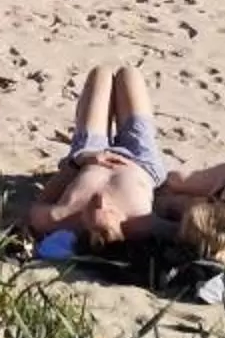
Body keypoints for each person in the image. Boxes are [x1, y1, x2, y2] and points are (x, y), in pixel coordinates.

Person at [21, 65, 168, 251]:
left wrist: (78, 163)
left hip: (91, 154)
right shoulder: (142, 225)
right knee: (129, 74)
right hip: (141, 160)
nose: (100, 199)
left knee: (101, 74)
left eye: (92, 208)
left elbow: (36, 207)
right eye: (110, 210)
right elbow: (185, 225)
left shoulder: (59, 218)